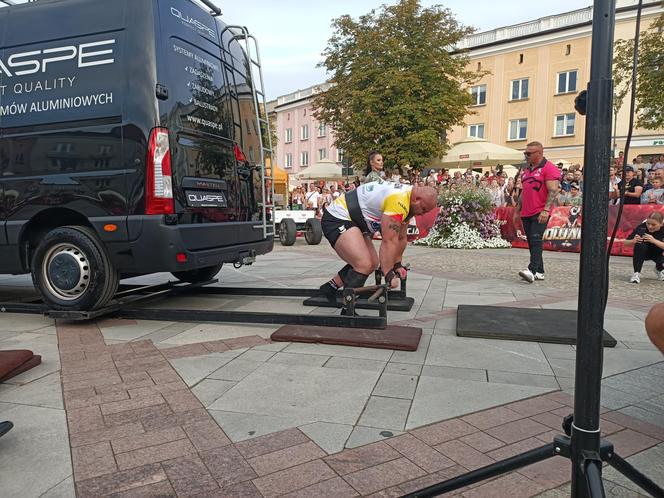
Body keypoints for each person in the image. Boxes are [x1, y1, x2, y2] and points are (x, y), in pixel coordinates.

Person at [319, 181, 438, 314]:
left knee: (372, 263)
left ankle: (329, 288)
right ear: (417, 199)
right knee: (363, 264)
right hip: (337, 217)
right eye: (423, 209)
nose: (422, 214)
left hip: (355, 220)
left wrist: (397, 264)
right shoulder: (398, 200)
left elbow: (401, 237)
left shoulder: (408, 202)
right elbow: (389, 241)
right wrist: (388, 273)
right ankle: (347, 310)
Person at [514, 141, 561, 283]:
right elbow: (525, 192)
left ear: (539, 153)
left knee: (535, 239)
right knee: (532, 241)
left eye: (528, 153)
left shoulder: (549, 168)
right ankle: (540, 271)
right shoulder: (527, 169)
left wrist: (546, 210)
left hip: (540, 211)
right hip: (526, 211)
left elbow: (553, 190)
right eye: (525, 153)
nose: (526, 156)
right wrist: (518, 210)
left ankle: (532, 270)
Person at [623, 211, 664, 284]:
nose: (650, 226)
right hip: (644, 252)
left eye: (653, 224)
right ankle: (636, 273)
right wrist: (633, 241)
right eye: (648, 223)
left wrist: (654, 240)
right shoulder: (641, 227)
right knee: (639, 245)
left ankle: (659, 269)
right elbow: (625, 243)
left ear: (661, 224)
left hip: (658, 252)